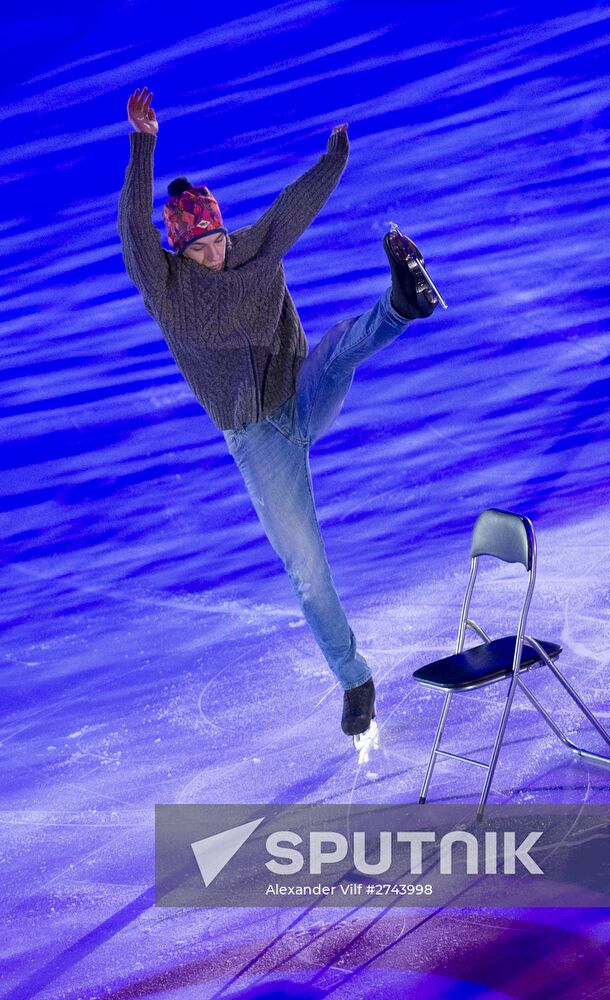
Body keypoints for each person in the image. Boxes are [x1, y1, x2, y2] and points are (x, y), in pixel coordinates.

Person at [117, 87, 440, 742]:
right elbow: (131, 230)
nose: (213, 252)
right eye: (198, 246)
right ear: (177, 249)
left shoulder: (251, 248)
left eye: (215, 238)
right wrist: (143, 144)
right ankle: (356, 680)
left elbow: (294, 206)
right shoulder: (167, 286)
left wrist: (334, 161)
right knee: (306, 568)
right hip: (258, 443)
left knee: (343, 347)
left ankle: (405, 300)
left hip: (299, 394)